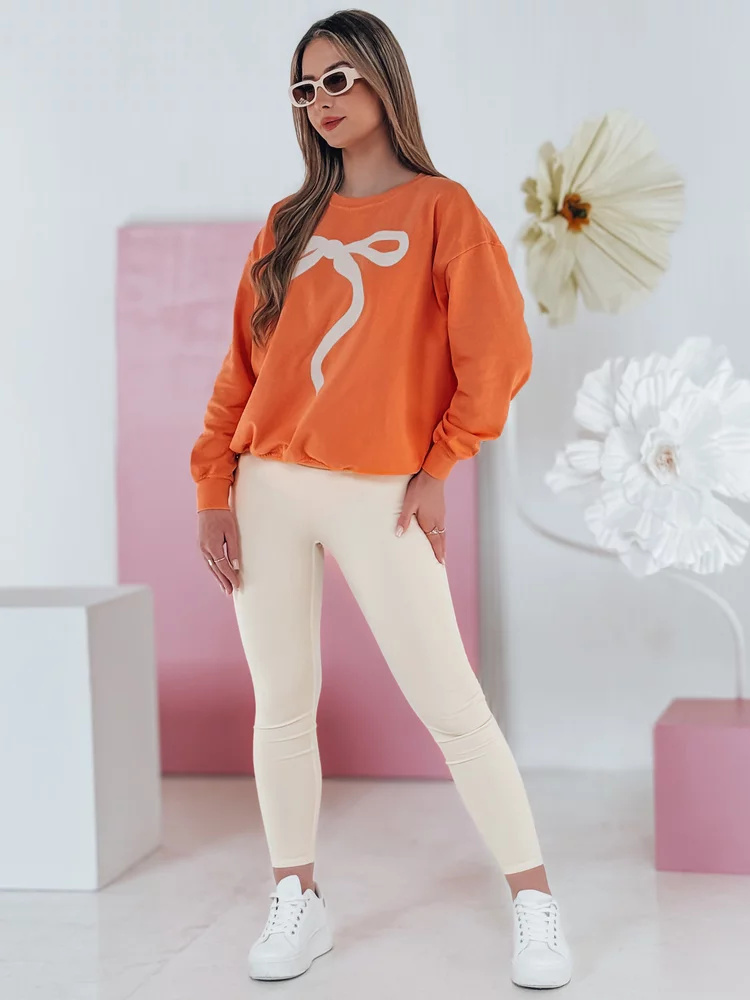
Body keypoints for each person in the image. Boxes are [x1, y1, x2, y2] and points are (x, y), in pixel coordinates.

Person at [189, 7, 572, 990]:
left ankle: (533, 899)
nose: (321, 101)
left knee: (453, 706)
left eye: (338, 79)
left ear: (382, 81)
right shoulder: (286, 223)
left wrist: (439, 467)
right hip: (267, 488)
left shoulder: (443, 210)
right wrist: (213, 486)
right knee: (282, 705)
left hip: (381, 495)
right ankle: (298, 896)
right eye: (305, 87)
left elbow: (498, 357)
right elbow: (241, 370)